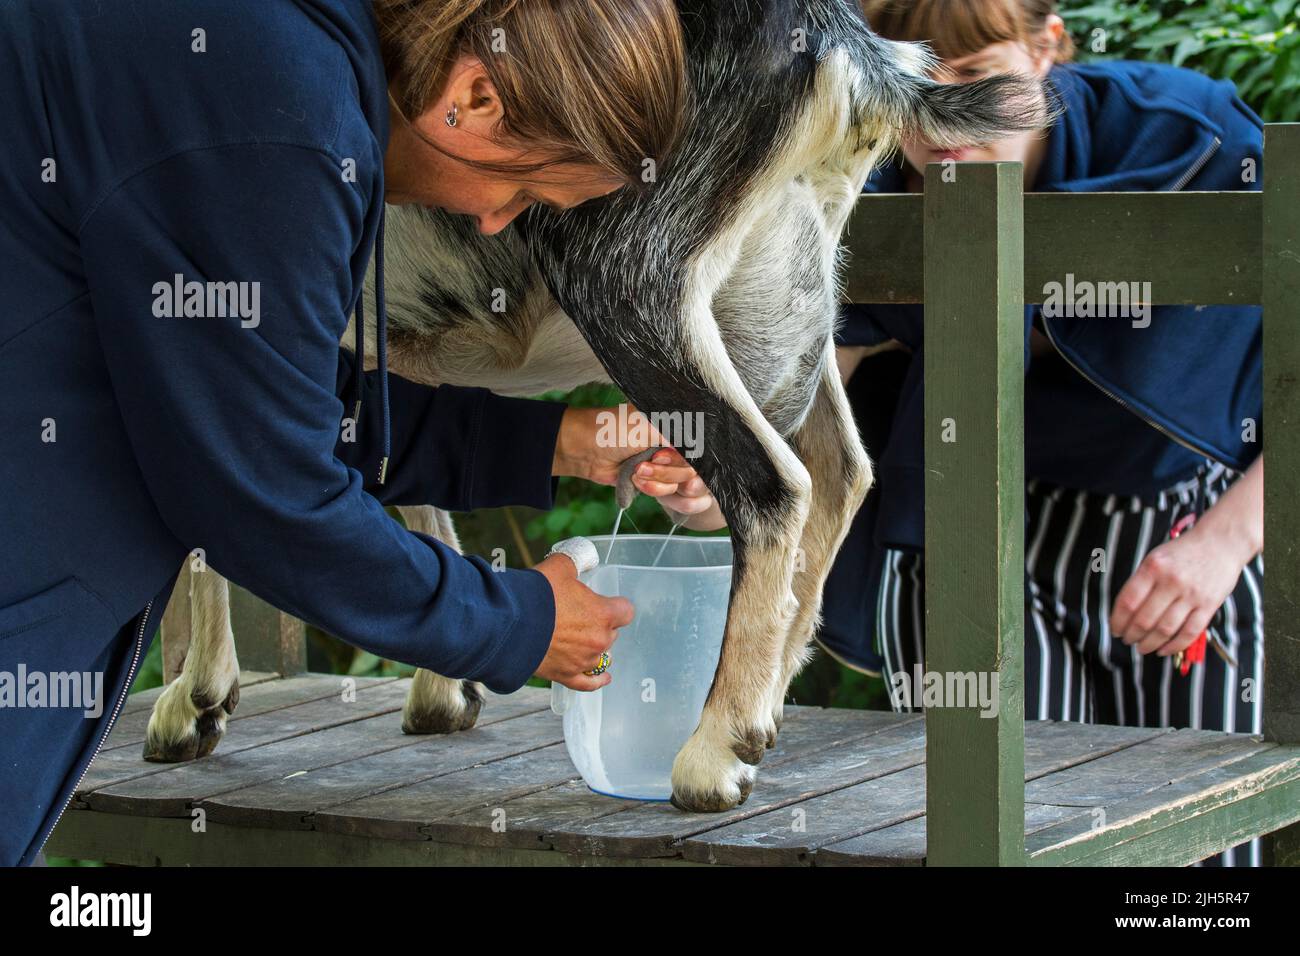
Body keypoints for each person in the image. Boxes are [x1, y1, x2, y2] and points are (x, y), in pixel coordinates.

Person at [0, 0, 721, 867]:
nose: (496, 222)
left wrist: (560, 443)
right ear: (477, 96)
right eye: (524, 188)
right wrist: (520, 624)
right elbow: (264, 497)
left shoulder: (276, 65)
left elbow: (257, 391)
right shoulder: (278, 123)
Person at [822, 0, 1265, 865]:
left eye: (978, 78)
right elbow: (809, 404)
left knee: (1205, 863)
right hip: (961, 532)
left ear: (1045, 47)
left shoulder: (1193, 139)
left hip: (1180, 529)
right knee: (1002, 838)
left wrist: (1222, 543)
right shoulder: (855, 181)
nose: (941, 121)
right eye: (910, 85)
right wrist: (719, 477)